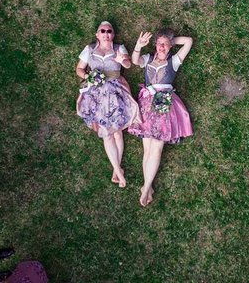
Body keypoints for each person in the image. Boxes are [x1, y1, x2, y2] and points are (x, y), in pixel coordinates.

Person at [128, 29, 193, 207]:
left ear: (170, 46)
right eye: (159, 43)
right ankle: (147, 187)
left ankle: (145, 188)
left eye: (165, 45)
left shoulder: (174, 61)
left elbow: (188, 41)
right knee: (147, 148)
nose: (162, 47)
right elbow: (135, 61)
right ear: (155, 45)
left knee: (156, 148)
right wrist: (138, 46)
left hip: (163, 103)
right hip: (146, 104)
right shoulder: (148, 59)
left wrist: (171, 40)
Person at [75, 21, 139, 187]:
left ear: (113, 34)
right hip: (97, 94)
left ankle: (116, 170)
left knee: (117, 132)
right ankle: (118, 171)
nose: (106, 33)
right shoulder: (89, 49)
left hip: (116, 91)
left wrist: (122, 60)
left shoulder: (119, 48)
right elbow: (79, 69)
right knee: (106, 133)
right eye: (102, 31)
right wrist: (89, 77)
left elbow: (128, 64)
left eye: (109, 31)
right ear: (97, 34)